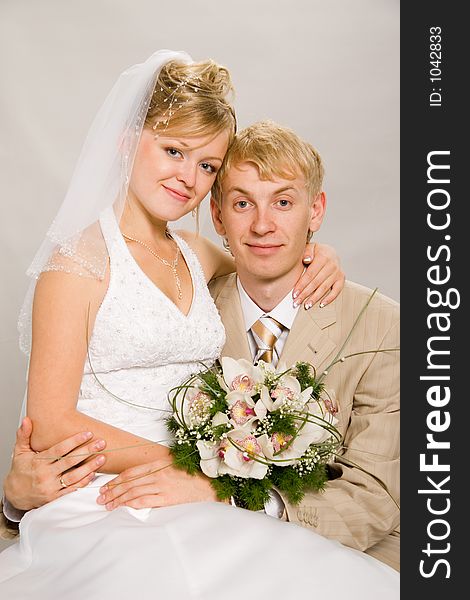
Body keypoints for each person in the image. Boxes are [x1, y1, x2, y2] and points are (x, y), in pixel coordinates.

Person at [0, 51, 398, 599]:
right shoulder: (77, 266)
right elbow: (49, 423)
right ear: (125, 142)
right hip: (113, 493)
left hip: (195, 493)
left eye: (207, 166)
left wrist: (315, 252)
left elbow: (263, 265)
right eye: (173, 151)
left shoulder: (193, 252)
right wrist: (201, 468)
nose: (189, 178)